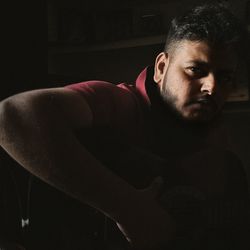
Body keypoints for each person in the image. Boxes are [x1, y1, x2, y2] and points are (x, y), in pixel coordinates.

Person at [0, 3, 249, 250]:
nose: (212, 88)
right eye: (196, 70)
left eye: (225, 77)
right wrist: (130, 209)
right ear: (161, 68)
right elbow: (11, 118)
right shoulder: (120, 103)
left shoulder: (218, 147)